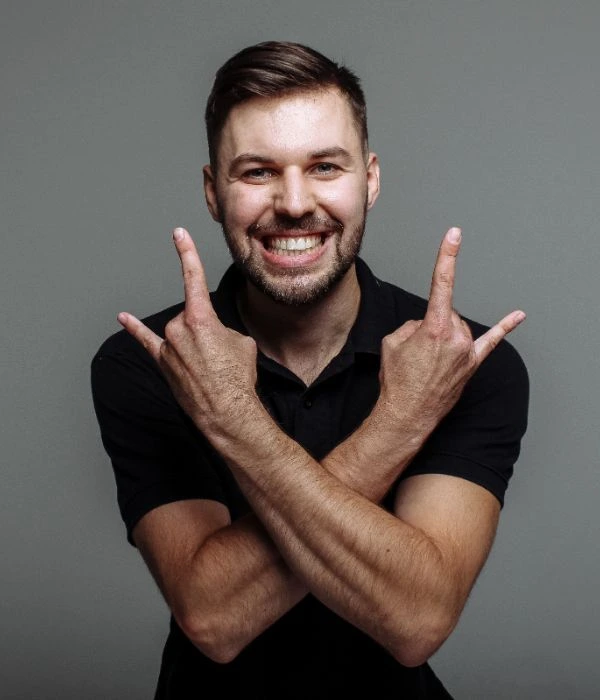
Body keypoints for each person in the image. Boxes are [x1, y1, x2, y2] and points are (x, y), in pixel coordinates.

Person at [91, 41, 529, 699]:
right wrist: (399, 425)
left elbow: (416, 620)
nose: (295, 203)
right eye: (257, 172)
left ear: (370, 180)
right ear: (212, 192)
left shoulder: (459, 364)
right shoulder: (150, 362)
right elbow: (213, 618)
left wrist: (232, 423)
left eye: (325, 166)